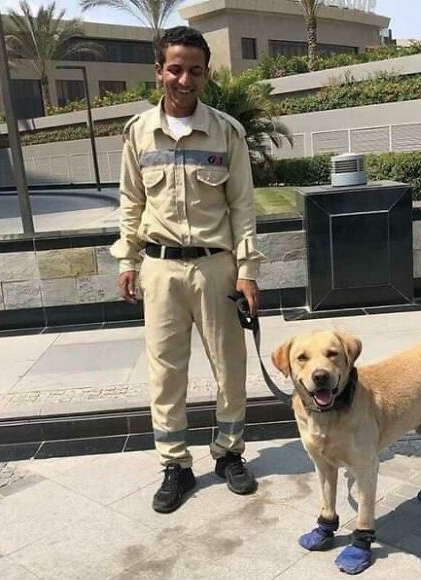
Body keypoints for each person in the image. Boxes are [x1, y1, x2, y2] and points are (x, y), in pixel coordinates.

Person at [110, 26, 263, 513]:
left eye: (194, 70)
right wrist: (127, 259)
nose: (184, 78)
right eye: (174, 68)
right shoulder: (138, 132)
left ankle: (229, 453)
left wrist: (247, 271)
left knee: (230, 368)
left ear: (206, 74)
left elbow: (242, 207)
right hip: (159, 271)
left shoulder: (227, 132)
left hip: (216, 269)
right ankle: (175, 465)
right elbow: (131, 202)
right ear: (159, 71)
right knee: (166, 374)